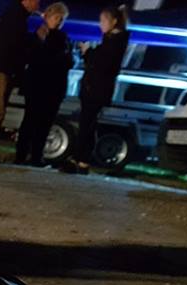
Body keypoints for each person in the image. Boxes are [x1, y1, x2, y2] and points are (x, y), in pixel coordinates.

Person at [61, 5, 129, 174]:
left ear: (113, 21)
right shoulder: (113, 40)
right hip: (95, 88)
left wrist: (88, 52)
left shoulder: (114, 42)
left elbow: (103, 64)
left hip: (96, 89)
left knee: (86, 124)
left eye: (103, 21)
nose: (101, 24)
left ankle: (78, 158)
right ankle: (82, 159)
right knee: (88, 124)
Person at [0, 0, 42, 163]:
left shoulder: (15, 15)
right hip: (2, 68)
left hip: (2, 68)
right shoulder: (16, 16)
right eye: (36, 1)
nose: (38, 6)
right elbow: (14, 44)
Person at [16, 3, 72, 166]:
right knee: (32, 121)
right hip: (39, 85)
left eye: (61, 19)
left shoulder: (61, 38)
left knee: (43, 123)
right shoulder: (40, 36)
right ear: (48, 17)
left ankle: (34, 155)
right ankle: (24, 154)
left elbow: (66, 61)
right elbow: (36, 57)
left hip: (51, 87)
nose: (59, 22)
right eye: (56, 18)